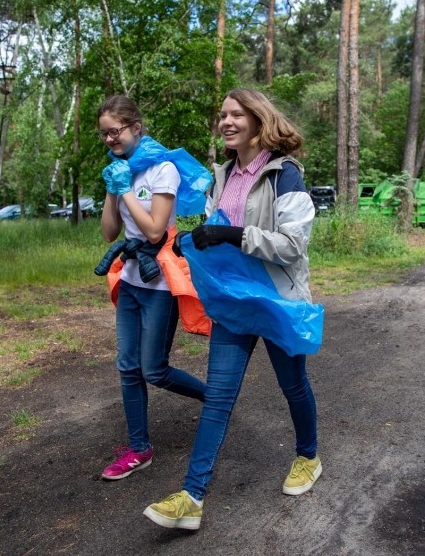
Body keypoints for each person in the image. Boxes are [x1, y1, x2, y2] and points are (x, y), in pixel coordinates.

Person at [143, 88, 321, 530]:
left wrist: (233, 236)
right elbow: (217, 228)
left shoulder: (285, 175)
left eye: (236, 114)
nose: (225, 121)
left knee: (293, 385)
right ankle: (192, 496)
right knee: (219, 397)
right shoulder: (221, 176)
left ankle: (308, 457)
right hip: (234, 304)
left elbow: (293, 246)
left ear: (258, 121)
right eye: (222, 114)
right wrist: (198, 239)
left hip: (277, 301)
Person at [97, 95, 206, 480]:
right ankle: (139, 449)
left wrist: (125, 187)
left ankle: (213, 399)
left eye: (116, 131)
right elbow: (110, 231)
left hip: (159, 281)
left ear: (136, 128)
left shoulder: (163, 169)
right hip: (129, 278)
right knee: (128, 367)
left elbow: (156, 229)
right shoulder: (117, 169)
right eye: (104, 134)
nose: (110, 139)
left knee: (154, 370)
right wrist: (113, 188)